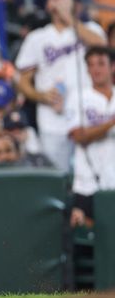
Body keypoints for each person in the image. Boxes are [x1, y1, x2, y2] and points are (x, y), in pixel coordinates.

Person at [15, 0, 106, 171]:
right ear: (47, 4)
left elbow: (101, 46)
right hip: (52, 117)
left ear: (75, 2)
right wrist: (40, 95)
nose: (57, 1)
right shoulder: (37, 37)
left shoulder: (91, 29)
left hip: (87, 115)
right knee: (58, 175)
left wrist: (69, 17)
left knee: (95, 171)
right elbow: (22, 81)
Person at [66, 46, 115, 228]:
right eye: (91, 64)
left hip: (113, 180)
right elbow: (78, 135)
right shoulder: (78, 97)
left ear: (113, 67)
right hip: (86, 183)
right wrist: (110, 123)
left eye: (101, 63)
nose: (96, 69)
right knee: (89, 243)